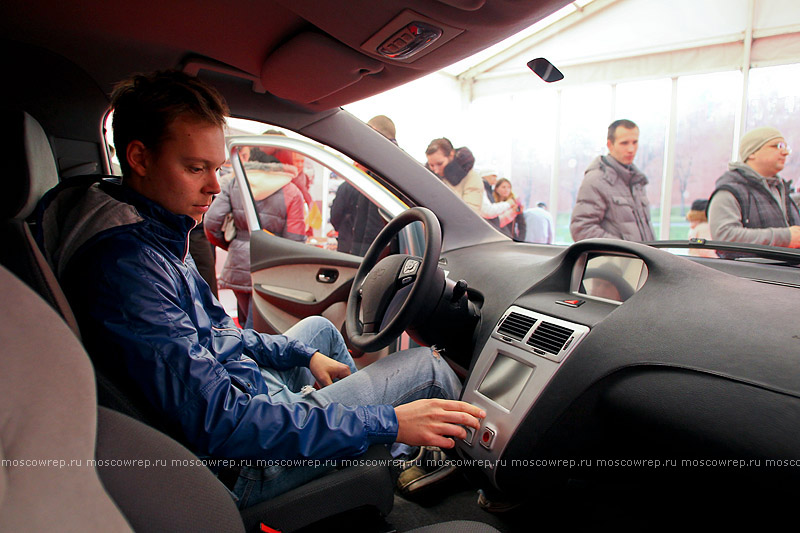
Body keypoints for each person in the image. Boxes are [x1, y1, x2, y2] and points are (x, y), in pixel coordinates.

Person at [37, 70, 484, 509]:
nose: (214, 187)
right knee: (429, 369)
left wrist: (301, 357)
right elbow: (225, 424)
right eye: (195, 168)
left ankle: (362, 452)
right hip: (243, 462)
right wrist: (385, 421)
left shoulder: (148, 230)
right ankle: (418, 473)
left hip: (243, 399)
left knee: (317, 333)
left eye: (216, 169)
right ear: (138, 158)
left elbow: (218, 337)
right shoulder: (126, 268)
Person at [204, 161, 306, 326]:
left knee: (245, 324)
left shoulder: (236, 183)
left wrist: (233, 246)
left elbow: (210, 222)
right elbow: (295, 241)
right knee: (260, 331)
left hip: (238, 262)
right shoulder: (291, 190)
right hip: (271, 267)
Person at [707, 127, 800, 256]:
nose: (785, 152)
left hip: (783, 275)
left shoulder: (782, 190)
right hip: (746, 275)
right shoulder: (730, 191)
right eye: (777, 146)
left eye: (785, 147)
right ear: (751, 153)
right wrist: (785, 237)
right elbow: (724, 237)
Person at [569, 119, 655, 242]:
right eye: (624, 143)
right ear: (610, 145)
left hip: (640, 260)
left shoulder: (637, 181)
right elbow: (582, 229)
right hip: (617, 260)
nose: (631, 149)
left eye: (635, 142)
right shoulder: (596, 180)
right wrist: (625, 250)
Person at [329, 115, 393, 256]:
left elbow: (372, 225)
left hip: (369, 253)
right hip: (368, 251)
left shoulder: (383, 169)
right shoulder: (384, 166)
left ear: (373, 131)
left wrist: (364, 260)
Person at [425, 138, 483, 214]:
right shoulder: (427, 175)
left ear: (451, 154)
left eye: (440, 164)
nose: (436, 170)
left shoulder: (472, 178)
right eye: (431, 165)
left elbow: (470, 214)